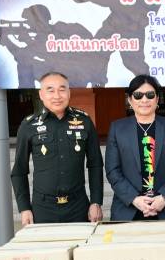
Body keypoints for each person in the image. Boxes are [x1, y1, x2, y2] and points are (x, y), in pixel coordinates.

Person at [11, 72, 103, 224]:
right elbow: (19, 171)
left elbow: (95, 165)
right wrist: (24, 208)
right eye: (50, 90)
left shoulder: (84, 121)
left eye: (62, 89)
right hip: (42, 209)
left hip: (78, 206)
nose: (57, 96)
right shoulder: (29, 125)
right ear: (41, 95)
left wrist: (96, 202)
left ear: (69, 93)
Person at [104, 75, 165, 221]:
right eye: (138, 95)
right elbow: (112, 170)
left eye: (150, 95)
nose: (144, 100)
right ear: (130, 100)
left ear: (157, 99)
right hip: (128, 209)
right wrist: (134, 199)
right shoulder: (117, 128)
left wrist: (164, 197)